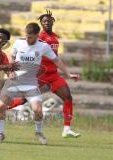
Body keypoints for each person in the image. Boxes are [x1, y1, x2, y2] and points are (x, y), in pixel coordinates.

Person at [0, 22, 80, 144]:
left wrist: (69, 74)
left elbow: (57, 60)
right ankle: (0, 134)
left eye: (30, 37)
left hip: (31, 82)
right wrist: (10, 71)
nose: (27, 39)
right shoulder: (19, 42)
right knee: (1, 107)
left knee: (37, 110)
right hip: (14, 80)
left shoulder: (43, 46)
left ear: (36, 35)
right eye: (26, 36)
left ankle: (38, 132)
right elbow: (12, 58)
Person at [37, 10, 80, 138]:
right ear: (41, 23)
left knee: (68, 97)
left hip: (53, 75)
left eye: (49, 21)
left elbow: (55, 57)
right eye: (44, 21)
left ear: (52, 22)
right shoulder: (40, 37)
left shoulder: (55, 36)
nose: (47, 23)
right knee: (23, 100)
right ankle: (3, 110)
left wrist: (68, 73)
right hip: (41, 75)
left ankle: (67, 129)